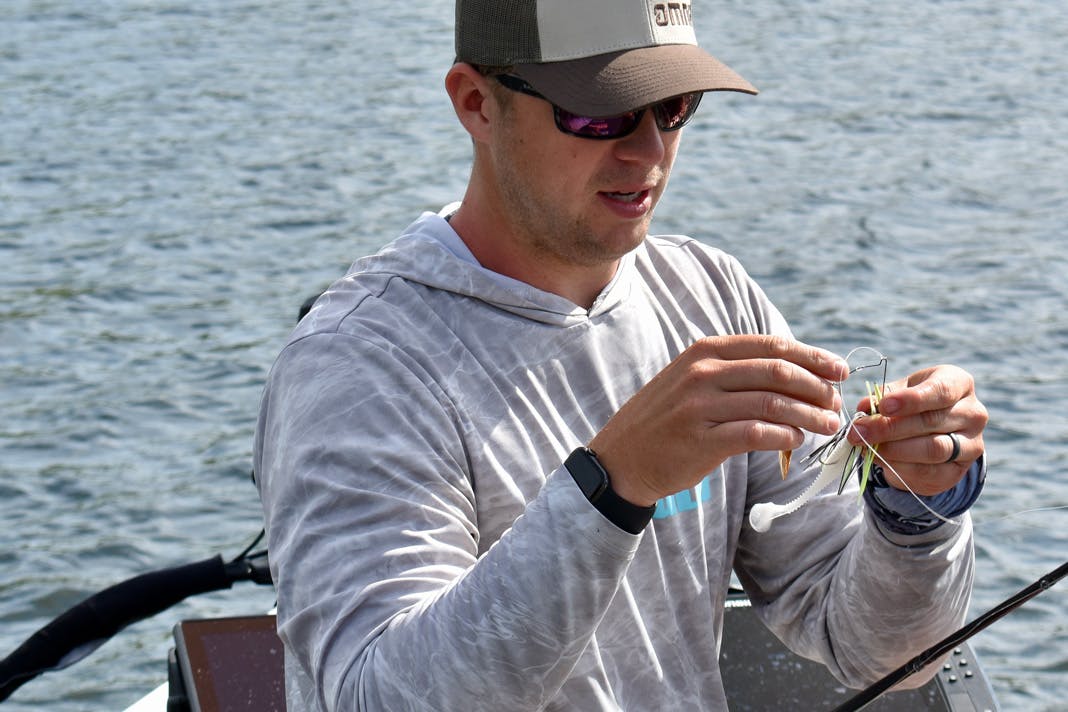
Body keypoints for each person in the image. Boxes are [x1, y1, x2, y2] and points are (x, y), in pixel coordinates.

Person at [254, 1, 988, 710]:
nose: (648, 151)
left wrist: (913, 508)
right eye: (598, 114)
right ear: (476, 102)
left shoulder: (713, 295)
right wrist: (614, 484)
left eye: (674, 107)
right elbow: (379, 698)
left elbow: (878, 651)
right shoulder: (357, 364)